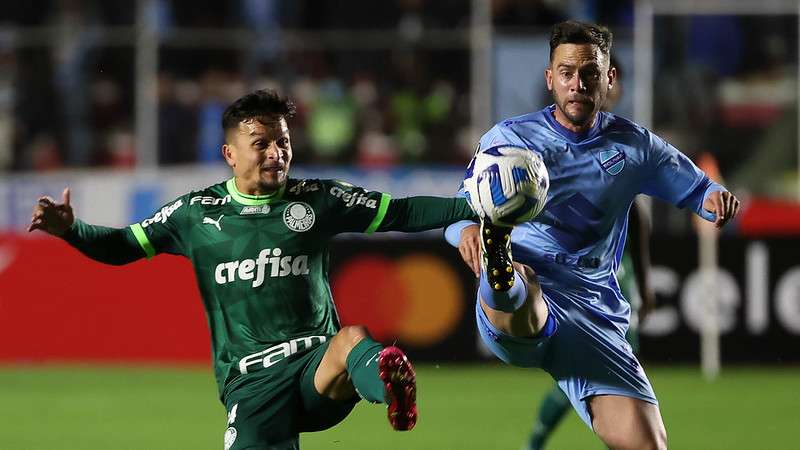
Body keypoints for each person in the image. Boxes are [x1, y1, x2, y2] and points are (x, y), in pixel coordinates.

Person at [29, 89, 476, 450]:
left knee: (351, 339)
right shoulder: (195, 215)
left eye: (282, 142)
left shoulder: (317, 199)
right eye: (260, 144)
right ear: (230, 153)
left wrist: (473, 205)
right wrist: (74, 230)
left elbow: (400, 212)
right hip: (252, 382)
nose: (276, 153)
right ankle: (382, 381)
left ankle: (391, 394)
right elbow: (124, 245)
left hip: (315, 370)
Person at [445, 21, 740, 450]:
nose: (576, 84)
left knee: (649, 444)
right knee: (521, 282)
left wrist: (716, 199)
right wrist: (470, 229)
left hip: (594, 317)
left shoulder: (635, 147)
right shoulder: (510, 140)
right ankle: (500, 267)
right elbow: (457, 215)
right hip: (526, 301)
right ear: (550, 79)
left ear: (609, 78)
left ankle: (504, 269)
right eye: (566, 73)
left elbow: (698, 188)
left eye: (588, 73)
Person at [524, 56, 655, 450]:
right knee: (592, 359)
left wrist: (643, 284)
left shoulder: (623, 139)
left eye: (605, 79)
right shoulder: (556, 139)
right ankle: (535, 442)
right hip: (574, 270)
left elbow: (637, 217)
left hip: (615, 271)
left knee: (606, 360)